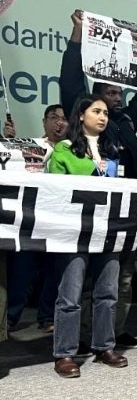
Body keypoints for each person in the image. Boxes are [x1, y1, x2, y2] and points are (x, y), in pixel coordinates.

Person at [60, 9, 137, 349]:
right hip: (90, 214)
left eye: (120, 95)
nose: (116, 99)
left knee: (122, 278)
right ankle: (78, 338)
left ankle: (111, 333)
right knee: (83, 281)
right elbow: (71, 80)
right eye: (109, 94)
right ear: (91, 103)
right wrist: (77, 36)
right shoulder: (81, 116)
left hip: (126, 212)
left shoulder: (127, 121)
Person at [47, 94, 127, 378]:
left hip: (107, 231)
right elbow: (52, 194)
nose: (103, 117)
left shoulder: (113, 151)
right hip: (74, 233)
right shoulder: (63, 151)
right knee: (70, 294)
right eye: (96, 111)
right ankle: (65, 353)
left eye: (105, 112)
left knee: (108, 292)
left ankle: (104, 346)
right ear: (80, 115)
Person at [5, 105, 68, 333]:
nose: (59, 123)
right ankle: (10, 317)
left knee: (54, 272)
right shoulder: (30, 146)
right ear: (44, 122)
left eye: (63, 119)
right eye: (54, 118)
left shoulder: (72, 150)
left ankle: (47, 317)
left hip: (59, 222)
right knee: (22, 270)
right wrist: (7, 142)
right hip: (30, 221)